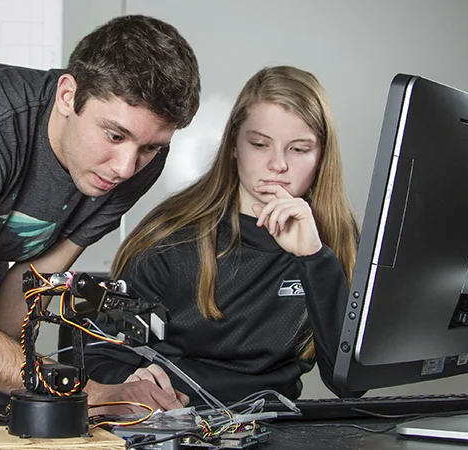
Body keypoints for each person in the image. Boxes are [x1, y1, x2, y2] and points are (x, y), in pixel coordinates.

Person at [0, 14, 200, 409]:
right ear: (68, 96)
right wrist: (91, 394)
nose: (125, 168)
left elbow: (32, 278)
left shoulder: (138, 159)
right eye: (114, 135)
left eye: (150, 147)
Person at [83, 65, 360, 404]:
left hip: (281, 427)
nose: (278, 165)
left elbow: (348, 385)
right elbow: (97, 359)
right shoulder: (169, 238)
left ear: (321, 157)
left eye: (299, 149)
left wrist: (315, 260)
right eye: (260, 144)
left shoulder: (338, 243)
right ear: (233, 145)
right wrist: (129, 384)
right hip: (180, 424)